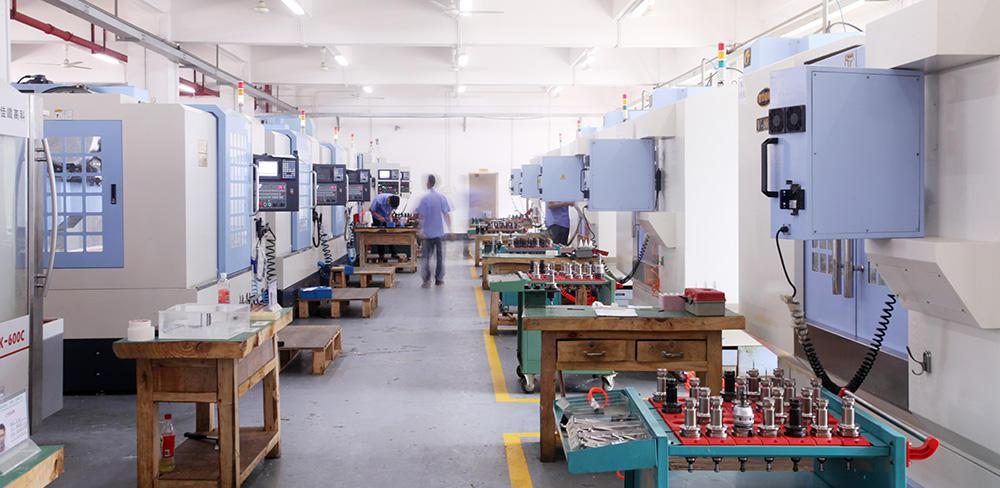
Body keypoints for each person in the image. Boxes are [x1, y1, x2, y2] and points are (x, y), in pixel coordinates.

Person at [414, 175, 451, 288]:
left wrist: (420, 230)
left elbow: (421, 216)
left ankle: (426, 280)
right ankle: (439, 280)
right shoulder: (441, 197)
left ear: (429, 183)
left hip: (427, 234)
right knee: (440, 257)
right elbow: (446, 215)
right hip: (439, 233)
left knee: (426, 258)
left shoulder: (425, 198)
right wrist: (451, 230)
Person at [369, 193, 401, 262]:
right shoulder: (378, 199)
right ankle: (381, 255)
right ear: (388, 200)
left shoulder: (394, 200)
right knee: (380, 235)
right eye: (390, 205)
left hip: (386, 217)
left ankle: (393, 253)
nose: (390, 207)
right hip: (377, 218)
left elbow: (390, 211)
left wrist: (390, 219)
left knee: (390, 234)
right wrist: (379, 217)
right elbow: (371, 210)